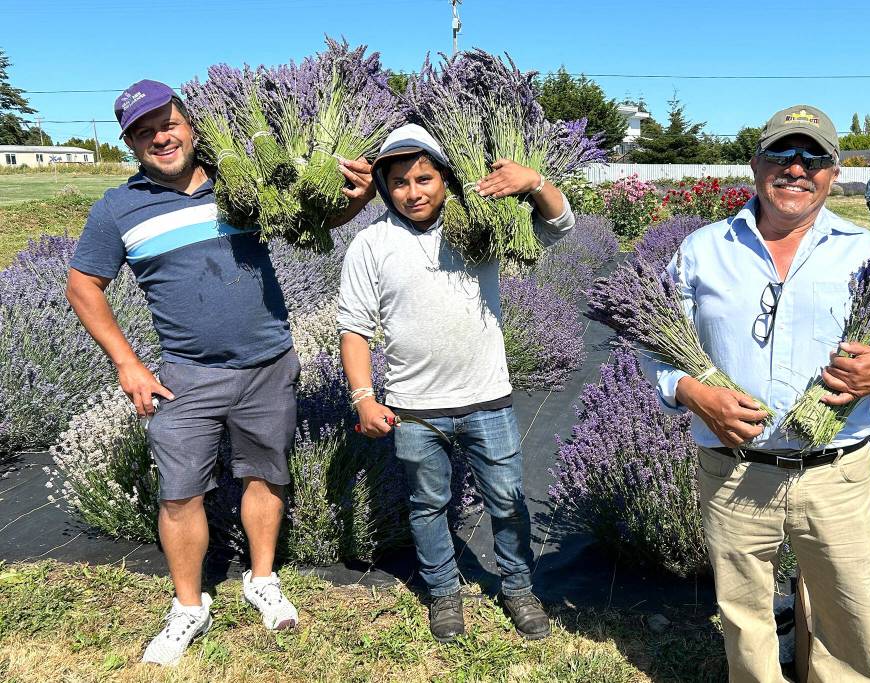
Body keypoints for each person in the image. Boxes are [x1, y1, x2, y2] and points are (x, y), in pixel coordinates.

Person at [65, 80, 376, 666]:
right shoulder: (118, 209)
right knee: (180, 493)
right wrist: (129, 366)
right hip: (186, 376)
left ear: (189, 122)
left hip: (268, 365)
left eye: (168, 121)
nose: (160, 136)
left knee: (266, 474)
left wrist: (356, 199)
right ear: (130, 143)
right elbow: (83, 287)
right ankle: (189, 606)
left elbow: (311, 225)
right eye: (142, 130)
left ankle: (261, 579)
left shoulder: (242, 182)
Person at [642, 105, 870, 682]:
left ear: (834, 172)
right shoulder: (702, 249)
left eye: (814, 157)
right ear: (754, 164)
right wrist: (695, 393)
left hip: (838, 473)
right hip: (734, 471)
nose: (796, 168)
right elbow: (653, 348)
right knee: (744, 619)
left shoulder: (868, 251)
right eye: (781, 153)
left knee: (848, 620)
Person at [337, 123, 574, 643]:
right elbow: (353, 329)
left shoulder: (482, 225)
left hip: (486, 399)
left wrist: (534, 182)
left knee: (508, 498)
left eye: (424, 178)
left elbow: (560, 226)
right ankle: (443, 592)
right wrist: (363, 397)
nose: (413, 191)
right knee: (427, 506)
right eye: (398, 182)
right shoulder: (370, 244)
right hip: (413, 409)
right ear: (383, 186)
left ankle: (517, 587)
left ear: (445, 178)